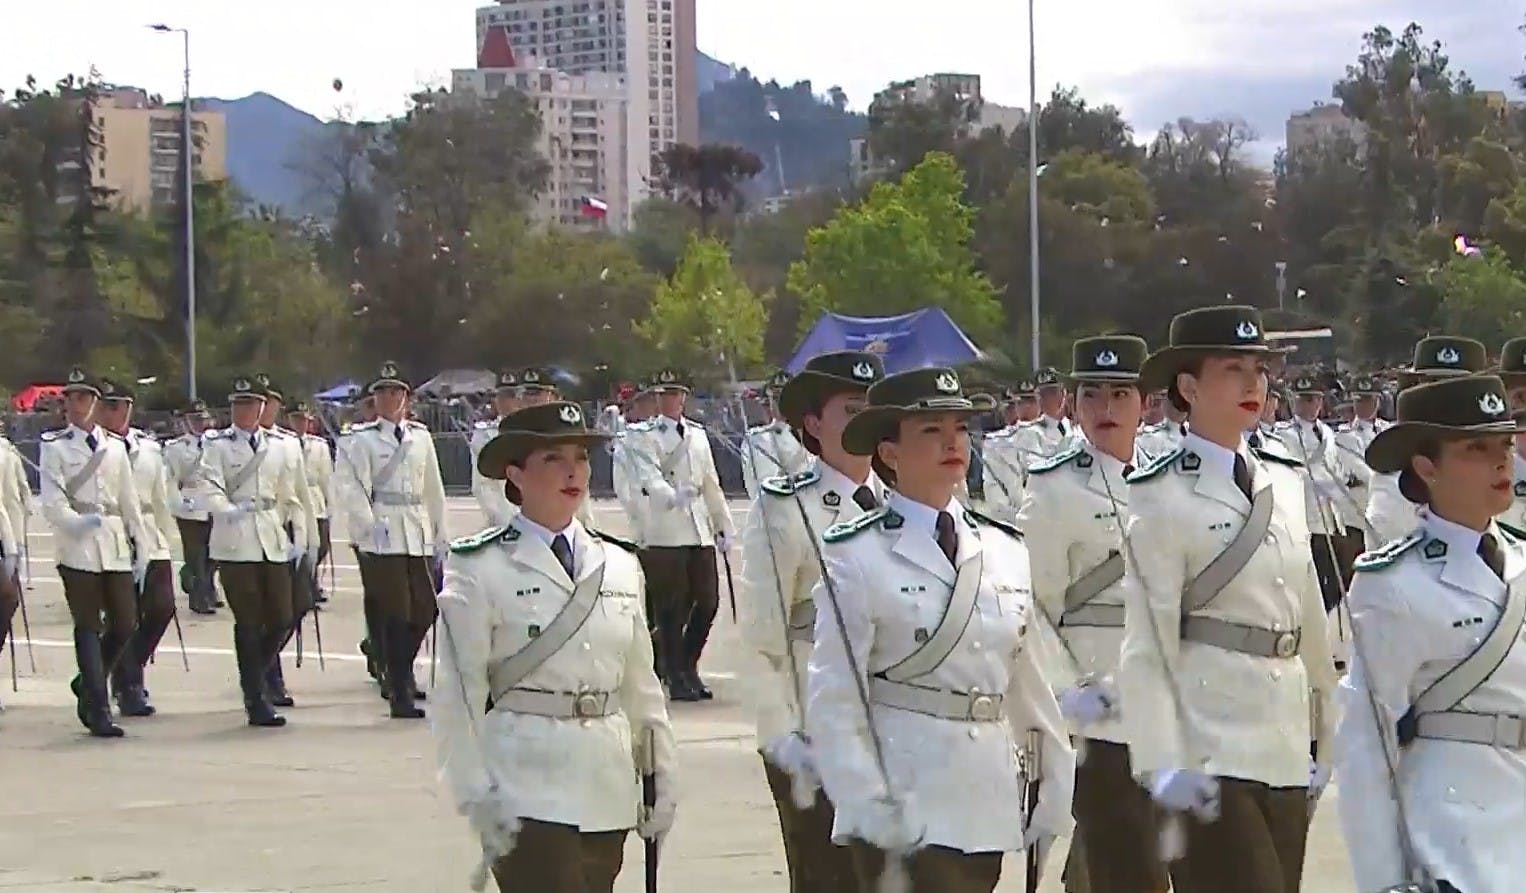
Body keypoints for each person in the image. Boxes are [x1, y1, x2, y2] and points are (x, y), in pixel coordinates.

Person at [807, 366, 1074, 893]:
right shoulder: (855, 554)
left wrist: (1055, 774)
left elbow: (1025, 678)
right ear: (889, 453)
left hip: (985, 798)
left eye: (958, 428)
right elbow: (834, 696)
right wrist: (864, 801)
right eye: (931, 431)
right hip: (904, 797)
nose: (952, 442)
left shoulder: (1002, 550)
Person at [1118, 305, 1337, 893]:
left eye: (1258, 370)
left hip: (1284, 740)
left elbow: (1309, 616)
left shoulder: (1283, 483)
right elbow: (1146, 641)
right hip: (1207, 743)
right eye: (1233, 369)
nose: (1253, 385)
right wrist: (1159, 760)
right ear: (1188, 387)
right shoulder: (1160, 494)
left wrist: (1325, 729)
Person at [432, 400, 677, 893]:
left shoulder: (619, 564)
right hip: (524, 782)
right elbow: (458, 693)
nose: (573, 471)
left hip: (605, 780)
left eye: (580, 459)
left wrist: (661, 771)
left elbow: (640, 684)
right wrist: (473, 790)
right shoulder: (479, 566)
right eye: (552, 459)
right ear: (515, 474)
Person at [1334, 373, 1526, 893]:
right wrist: (1384, 881)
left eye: (1505, 444)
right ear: (1426, 467)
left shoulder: (1521, 560)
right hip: (1455, 836)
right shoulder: (1393, 584)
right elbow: (1365, 747)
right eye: (1476, 448)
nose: (1502, 461)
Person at [1017, 336, 1165, 893]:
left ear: (1144, 404)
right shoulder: (1054, 488)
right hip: (1096, 709)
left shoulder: (1170, 479)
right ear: (1074, 406)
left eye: (1121, 394)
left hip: (1166, 702)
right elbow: (1036, 604)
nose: (1107, 409)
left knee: (1142, 851)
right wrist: (1065, 689)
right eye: (1093, 395)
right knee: (1131, 861)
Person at [739, 350, 885, 893]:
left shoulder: (907, 502)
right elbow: (760, 635)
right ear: (813, 424)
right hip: (815, 725)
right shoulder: (786, 507)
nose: (865, 422)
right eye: (851, 410)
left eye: (873, 410)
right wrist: (781, 733)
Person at [40, 367, 151, 738]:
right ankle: (99, 707)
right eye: (70, 398)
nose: (75, 405)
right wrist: (76, 523)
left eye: (83, 398)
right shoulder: (54, 446)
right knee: (89, 625)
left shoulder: (114, 447)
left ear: (96, 403)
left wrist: (141, 542)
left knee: (125, 622)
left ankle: (89, 682)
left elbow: (128, 499)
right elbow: (53, 502)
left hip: (114, 541)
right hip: (77, 546)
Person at [336, 361, 448, 719]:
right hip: (382, 533)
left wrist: (439, 531)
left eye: (396, 392)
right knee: (397, 612)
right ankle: (399, 689)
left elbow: (433, 488)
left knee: (426, 608)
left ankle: (391, 663)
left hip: (415, 531)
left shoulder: (421, 437)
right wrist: (368, 524)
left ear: (407, 398)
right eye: (383, 392)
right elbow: (351, 487)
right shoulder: (360, 440)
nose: (390, 399)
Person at [200, 376, 308, 727]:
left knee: (282, 615)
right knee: (248, 620)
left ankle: (255, 677)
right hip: (234, 540)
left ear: (263, 407)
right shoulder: (217, 445)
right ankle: (255, 697)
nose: (244, 411)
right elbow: (209, 486)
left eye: (250, 404)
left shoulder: (279, 446)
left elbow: (290, 493)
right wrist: (227, 510)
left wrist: (301, 532)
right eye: (237, 405)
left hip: (270, 535)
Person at [626, 368, 734, 701]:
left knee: (708, 602)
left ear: (684, 398)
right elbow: (647, 476)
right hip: (665, 530)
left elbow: (711, 483)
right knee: (671, 610)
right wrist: (670, 497)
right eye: (663, 395)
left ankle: (688, 664)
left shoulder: (697, 435)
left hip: (697, 527)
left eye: (675, 394)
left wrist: (723, 524)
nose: (669, 400)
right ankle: (675, 675)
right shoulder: (641, 435)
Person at [94, 378, 178, 718]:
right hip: (111, 533)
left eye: (116, 405)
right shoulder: (91, 447)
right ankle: (126, 683)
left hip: (148, 533)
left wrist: (167, 539)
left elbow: (160, 496)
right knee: (122, 618)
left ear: (128, 407)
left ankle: (123, 670)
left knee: (161, 608)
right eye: (104, 405)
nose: (109, 412)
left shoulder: (149, 448)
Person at [1367, 338, 1488, 544]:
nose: (1445, 398)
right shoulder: (1394, 471)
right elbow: (1385, 540)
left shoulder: (1503, 461)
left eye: (1457, 388)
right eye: (1433, 384)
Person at [253, 373, 319, 708]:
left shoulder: (285, 443)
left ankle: (264, 667)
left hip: (285, 535)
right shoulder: (236, 442)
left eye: (271, 402)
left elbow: (301, 493)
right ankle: (267, 677)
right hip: (252, 536)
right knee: (265, 612)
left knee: (296, 606)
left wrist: (309, 537)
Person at [164, 400, 221, 614]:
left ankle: (204, 583)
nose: (200, 424)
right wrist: (178, 503)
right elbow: (170, 479)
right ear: (186, 422)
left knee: (214, 553)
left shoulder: (217, 443)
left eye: (203, 419)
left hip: (214, 504)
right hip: (191, 505)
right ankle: (199, 597)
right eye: (195, 420)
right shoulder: (177, 448)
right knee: (196, 553)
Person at [287, 402, 334, 605]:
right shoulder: (284, 442)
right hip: (294, 498)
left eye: (304, 420)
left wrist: (329, 503)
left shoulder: (319, 445)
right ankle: (305, 587)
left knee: (320, 545)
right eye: (297, 419)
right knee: (298, 544)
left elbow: (326, 476)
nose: (301, 423)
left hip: (315, 499)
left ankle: (310, 580)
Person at [740, 369, 812, 500]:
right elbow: (765, 486)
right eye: (776, 398)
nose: (782, 404)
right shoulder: (759, 439)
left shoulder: (814, 432)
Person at [471, 371, 521, 526]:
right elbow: (482, 485)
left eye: (511, 395)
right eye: (501, 396)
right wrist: (502, 519)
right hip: (502, 519)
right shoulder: (484, 436)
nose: (506, 402)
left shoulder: (537, 432)